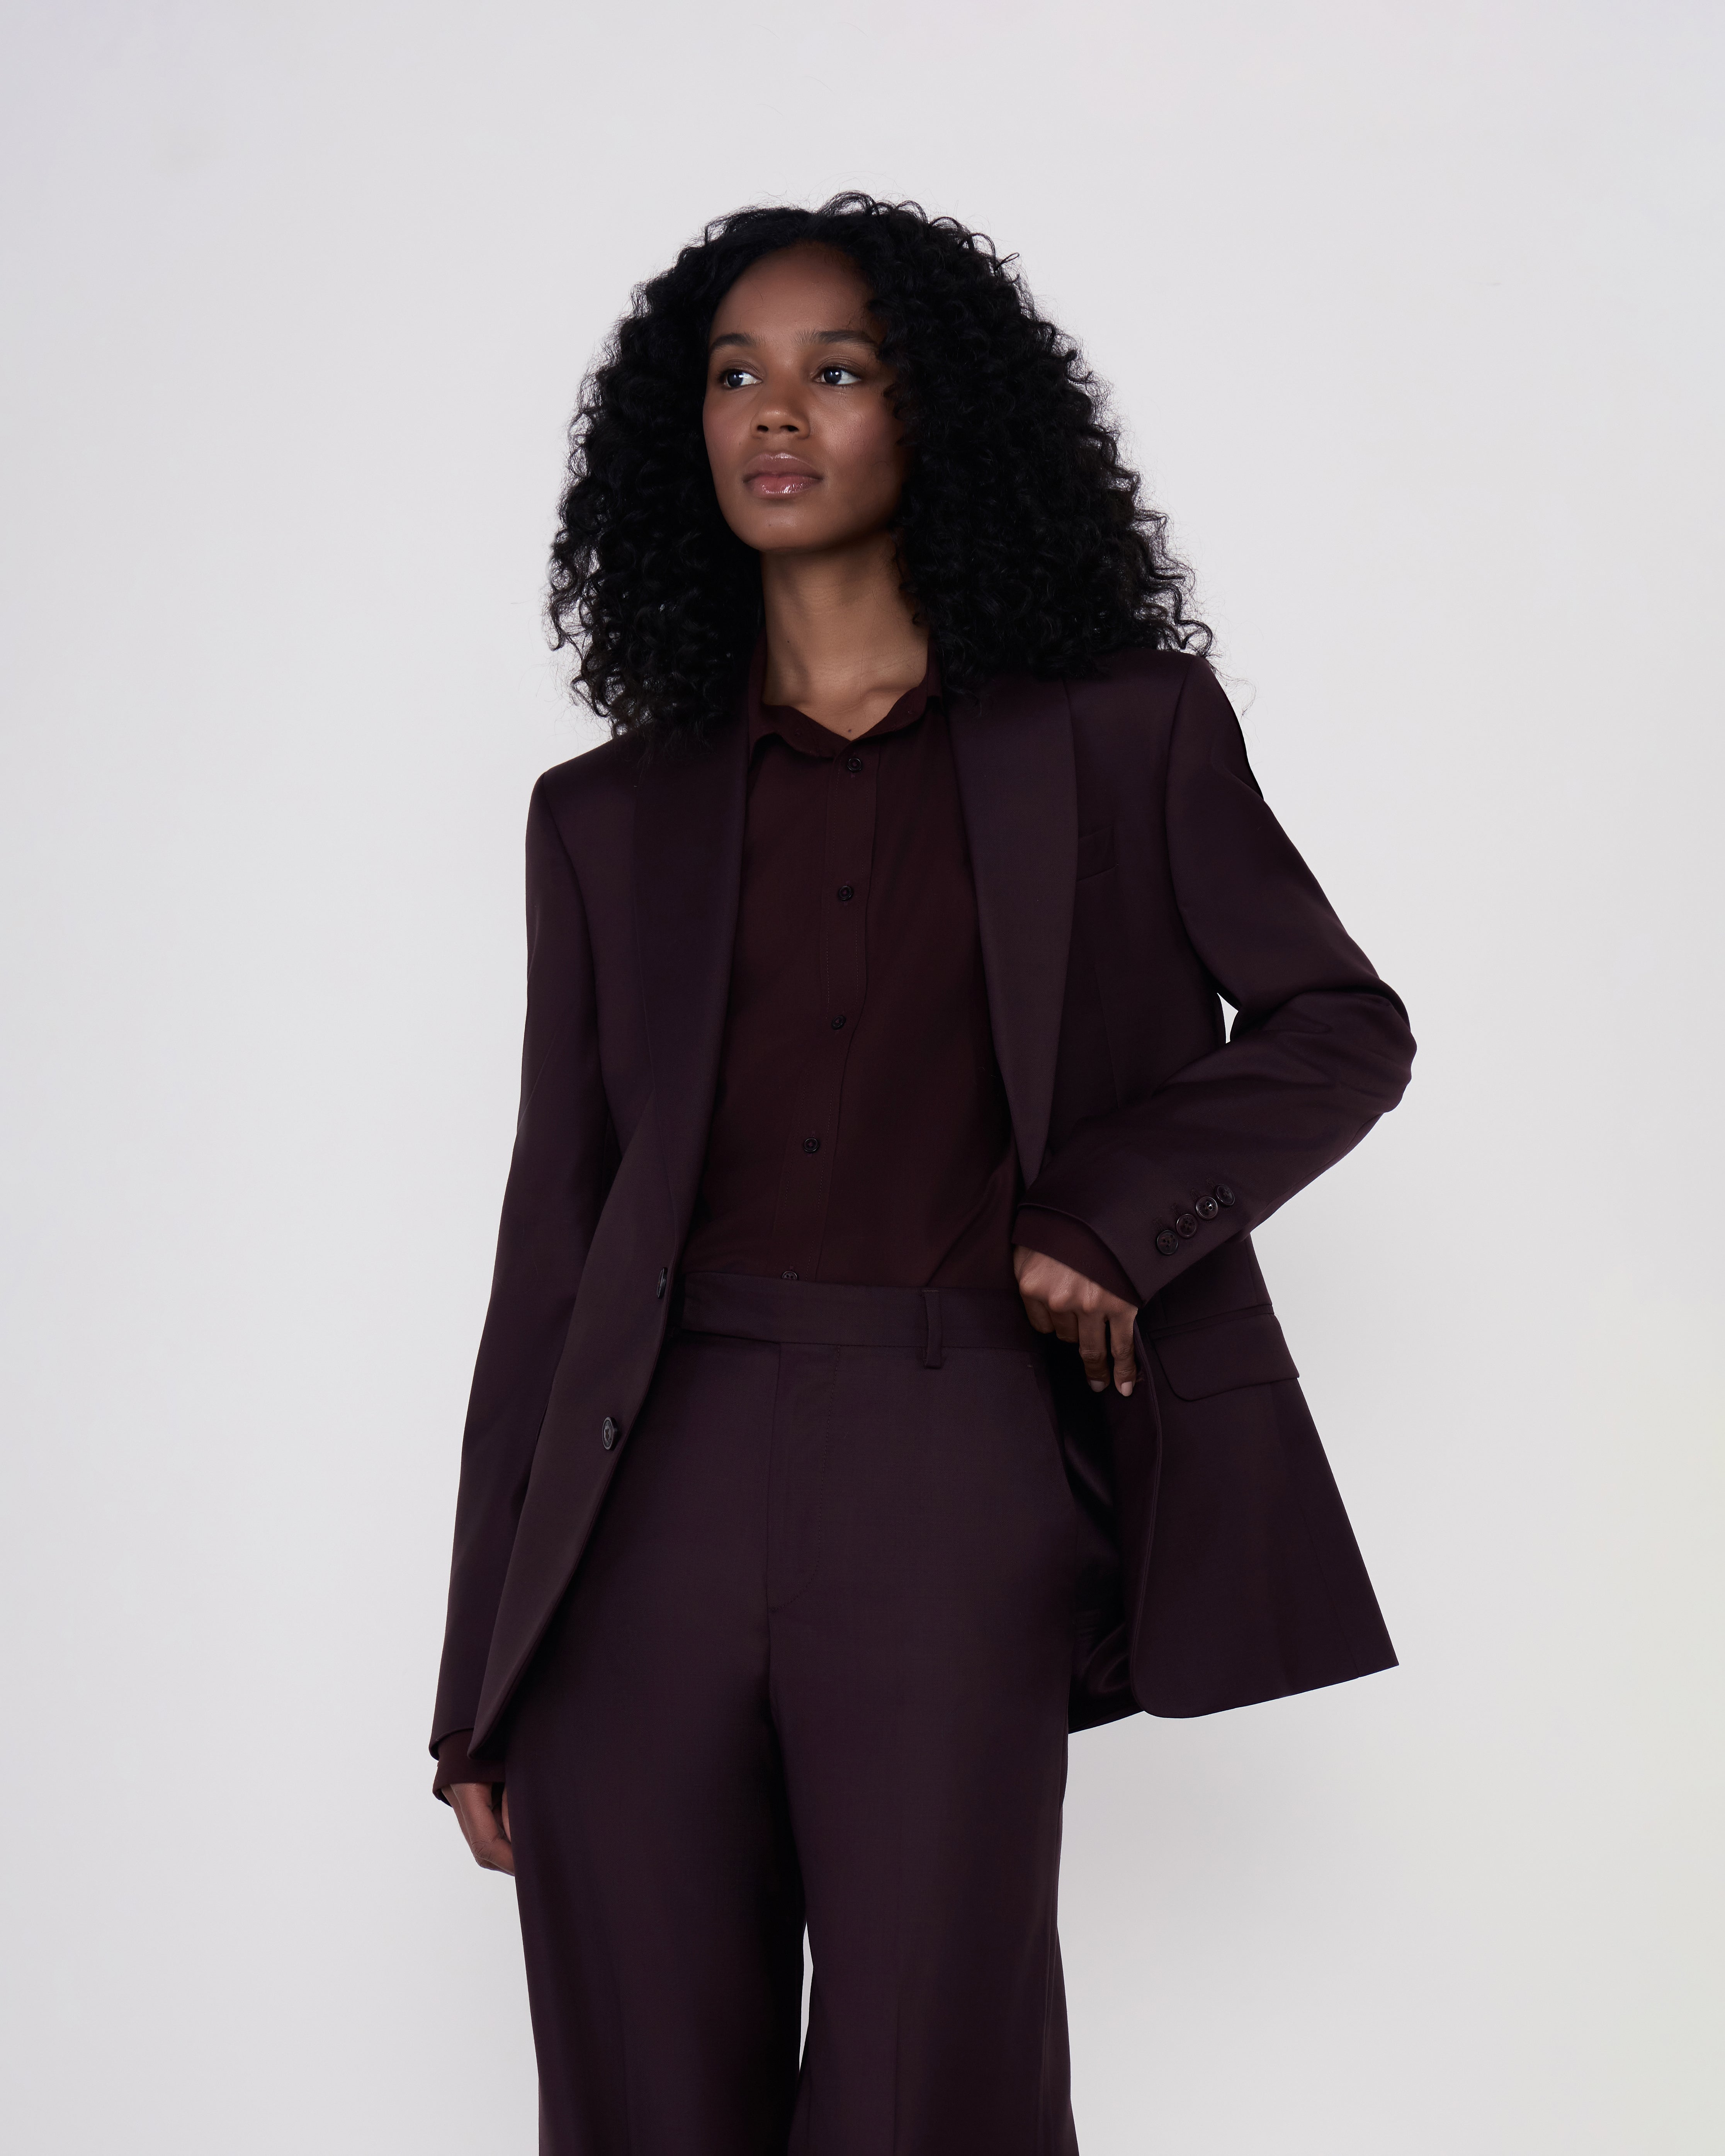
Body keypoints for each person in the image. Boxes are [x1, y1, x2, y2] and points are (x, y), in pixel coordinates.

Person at [430, 194, 1414, 2156]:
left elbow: (1338, 1022)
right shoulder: (605, 819)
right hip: (645, 1495)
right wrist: (483, 1668)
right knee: (638, 2094)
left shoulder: (1121, 734)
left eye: (838, 370)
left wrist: (1107, 1213)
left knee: (927, 2085)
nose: (774, 412)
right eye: (735, 373)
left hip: (955, 1465)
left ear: (931, 415)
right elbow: (555, 1244)